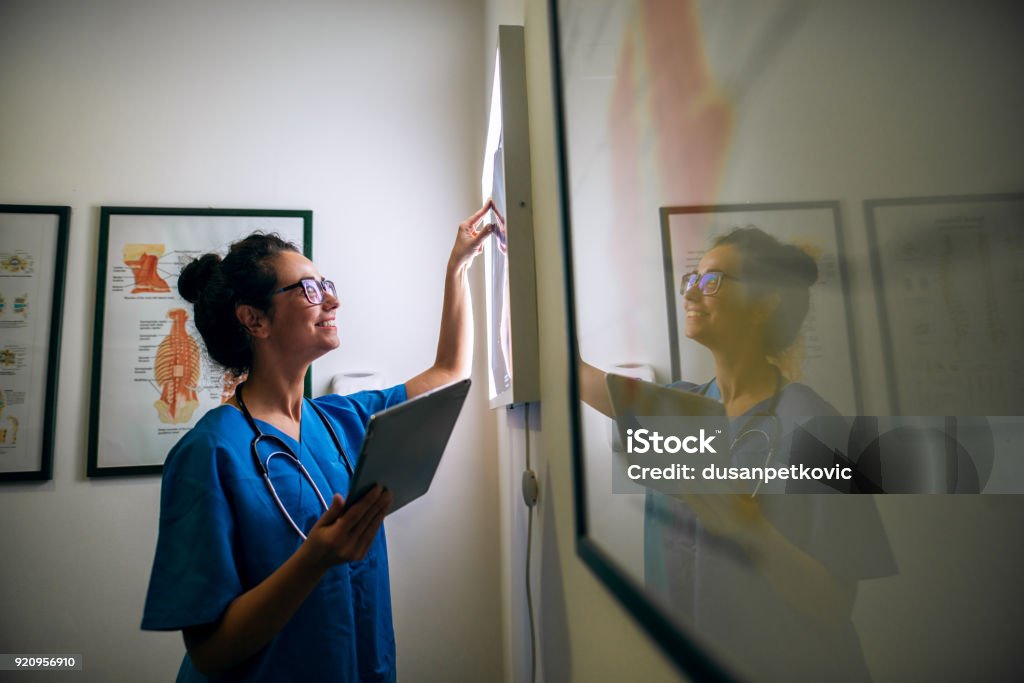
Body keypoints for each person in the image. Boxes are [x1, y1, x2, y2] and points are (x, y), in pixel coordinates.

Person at [141, 202, 495, 682]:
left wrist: (459, 267)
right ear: (254, 320)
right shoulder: (210, 453)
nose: (332, 300)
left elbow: (451, 372)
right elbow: (209, 652)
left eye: (327, 286)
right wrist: (314, 560)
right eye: (309, 289)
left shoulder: (343, 419)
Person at [579, 227, 895, 681]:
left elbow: (834, 603)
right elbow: (569, 372)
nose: (691, 292)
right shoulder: (678, 407)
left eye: (713, 281)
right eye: (692, 279)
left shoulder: (812, 422)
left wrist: (752, 531)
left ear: (762, 305)